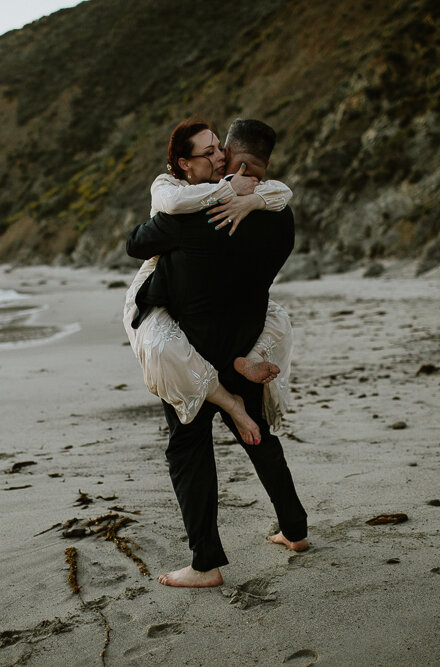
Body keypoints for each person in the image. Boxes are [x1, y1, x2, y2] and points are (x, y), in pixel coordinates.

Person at [126, 118, 308, 588]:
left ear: (239, 159)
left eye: (221, 151)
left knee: (188, 451)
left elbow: (137, 242)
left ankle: (205, 565)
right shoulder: (281, 219)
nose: (219, 160)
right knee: (259, 438)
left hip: (193, 349)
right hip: (244, 346)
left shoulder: (195, 217)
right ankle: (295, 530)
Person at [121, 118, 294, 447]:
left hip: (193, 307)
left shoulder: (225, 197)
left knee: (278, 320)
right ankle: (232, 402)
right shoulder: (167, 186)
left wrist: (252, 199)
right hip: (152, 292)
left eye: (219, 148)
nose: (218, 156)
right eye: (210, 151)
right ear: (184, 164)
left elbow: (284, 190)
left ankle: (249, 365)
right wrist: (231, 189)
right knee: (163, 348)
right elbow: (171, 207)